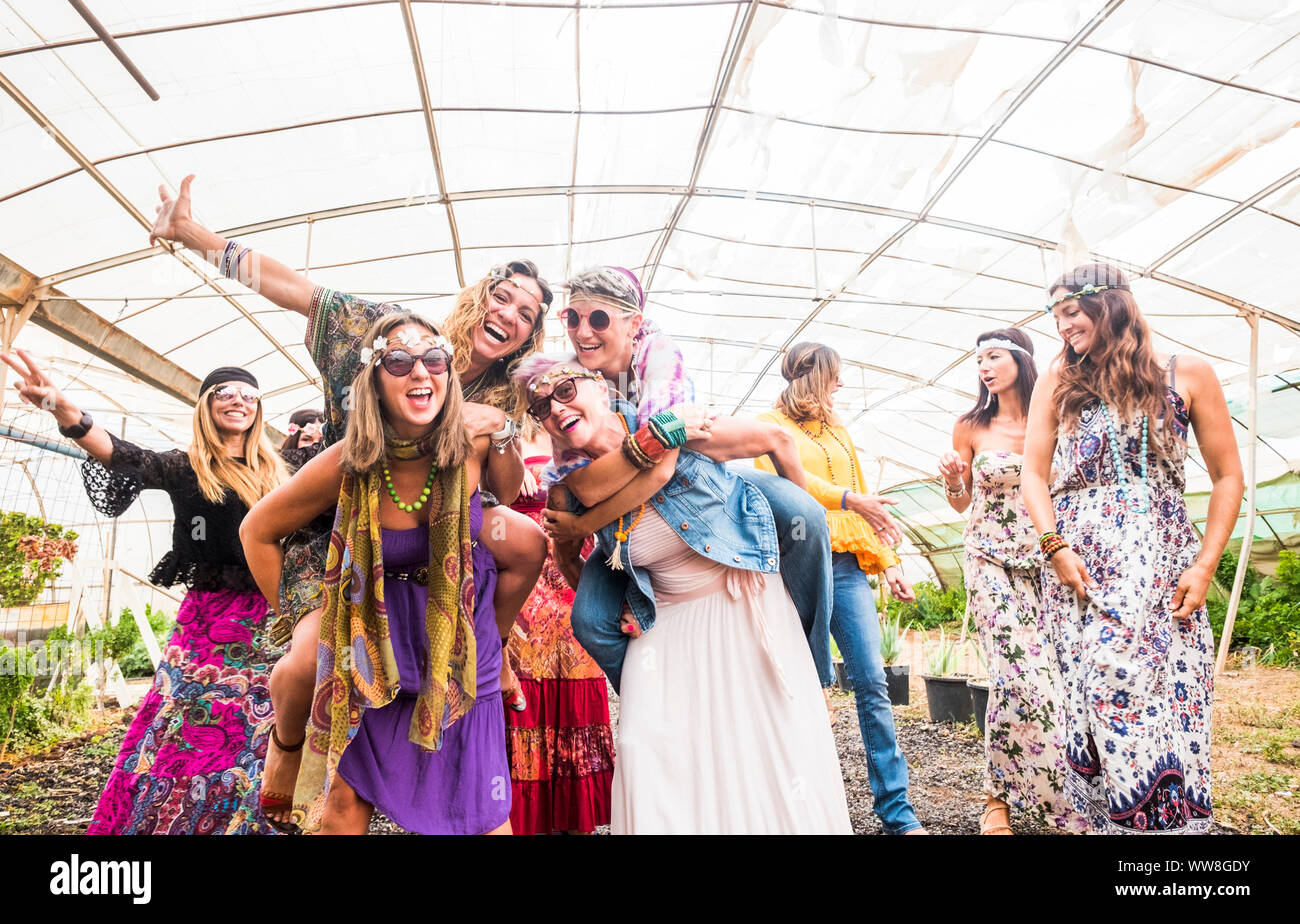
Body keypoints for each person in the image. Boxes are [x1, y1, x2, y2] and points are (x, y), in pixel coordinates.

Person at [148, 174, 546, 829]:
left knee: (519, 538)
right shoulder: (391, 332)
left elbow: (505, 493)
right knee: (304, 662)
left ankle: (486, 664)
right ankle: (287, 747)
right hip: (340, 534)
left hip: (438, 553)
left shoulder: (505, 398)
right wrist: (195, 236)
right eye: (503, 296)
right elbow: (297, 289)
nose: (510, 313)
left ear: (530, 335)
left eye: (527, 313)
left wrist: (498, 429)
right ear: (479, 299)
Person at [516, 354, 851, 833]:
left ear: (600, 386)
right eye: (542, 406)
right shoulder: (568, 488)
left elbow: (773, 439)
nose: (555, 408)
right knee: (646, 745)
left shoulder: (676, 426)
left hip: (740, 598)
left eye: (564, 391)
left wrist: (798, 510)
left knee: (766, 743)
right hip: (665, 618)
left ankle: (816, 672)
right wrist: (618, 601)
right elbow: (568, 556)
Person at [240, 312, 511, 834]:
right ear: (374, 379)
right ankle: (286, 747)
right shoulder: (350, 460)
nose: (420, 371)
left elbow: (514, 503)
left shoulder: (473, 444)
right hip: (373, 645)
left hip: (456, 642)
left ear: (449, 374)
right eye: (398, 359)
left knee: (481, 809)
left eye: (434, 358)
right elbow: (257, 532)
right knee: (344, 801)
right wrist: (306, 617)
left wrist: (503, 430)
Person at [2, 351, 285, 834]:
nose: (239, 400)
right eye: (225, 392)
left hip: (272, 615)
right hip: (209, 620)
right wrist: (60, 407)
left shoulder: (281, 471)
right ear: (206, 406)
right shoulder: (185, 466)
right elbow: (119, 453)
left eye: (249, 394)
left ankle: (250, 820)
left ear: (258, 409)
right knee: (185, 722)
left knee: (265, 721)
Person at [1021, 263, 1243, 834]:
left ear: (1112, 304)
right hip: (1080, 564)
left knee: (1167, 688)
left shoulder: (1185, 372)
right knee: (1097, 688)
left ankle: (1169, 832)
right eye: (1056, 316)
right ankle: (1111, 826)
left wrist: (1204, 564)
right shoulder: (1056, 380)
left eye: (1071, 311)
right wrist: (1054, 547)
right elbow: (1033, 475)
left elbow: (1226, 476)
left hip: (1162, 560)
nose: (1063, 326)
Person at [553, 266, 834, 689]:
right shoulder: (565, 384)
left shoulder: (658, 355)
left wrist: (583, 520)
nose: (582, 331)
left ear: (634, 323)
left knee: (805, 517)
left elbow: (664, 463)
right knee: (590, 620)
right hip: (628, 523)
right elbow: (586, 485)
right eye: (572, 318)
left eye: (598, 318)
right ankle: (644, 693)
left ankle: (814, 665)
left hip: (697, 479)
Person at [754, 342, 925, 835]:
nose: (841, 384)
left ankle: (897, 814)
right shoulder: (770, 427)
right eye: (836, 375)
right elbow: (792, 486)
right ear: (817, 376)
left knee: (872, 682)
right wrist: (851, 498)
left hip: (847, 567)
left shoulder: (839, 431)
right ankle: (797, 809)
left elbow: (864, 502)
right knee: (798, 688)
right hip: (793, 568)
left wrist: (889, 562)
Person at [938, 329, 1089, 835]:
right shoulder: (970, 425)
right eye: (978, 358)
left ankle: (1063, 788)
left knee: (1058, 679)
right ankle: (995, 800)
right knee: (1015, 674)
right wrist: (954, 478)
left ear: (1022, 360)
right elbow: (959, 503)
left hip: (1048, 561)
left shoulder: (1061, 416)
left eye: (993, 356)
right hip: (989, 559)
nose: (983, 366)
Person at [503, 425, 614, 834]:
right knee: (525, 697)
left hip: (573, 577)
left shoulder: (580, 435)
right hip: (523, 584)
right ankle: (523, 819)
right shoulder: (502, 434)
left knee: (575, 690)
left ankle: (571, 819)